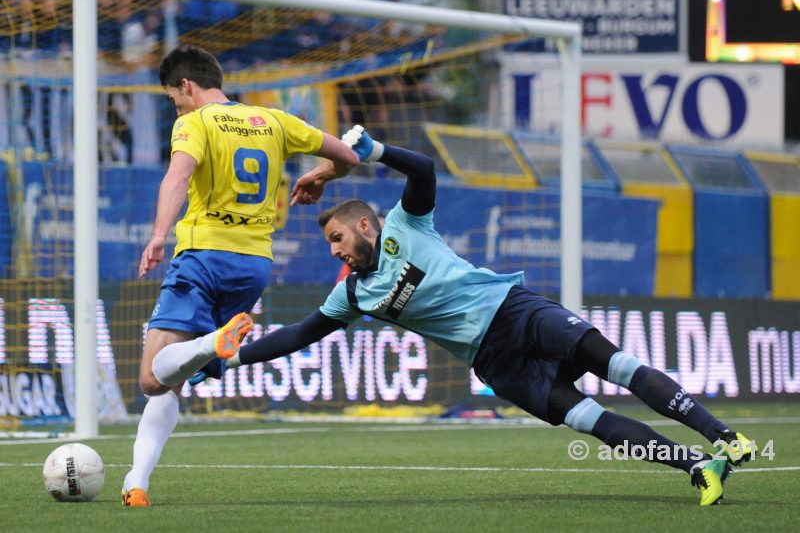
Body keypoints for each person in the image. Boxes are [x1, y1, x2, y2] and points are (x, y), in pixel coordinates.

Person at [193, 126, 758, 507]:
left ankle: (724, 437)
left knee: (620, 366)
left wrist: (374, 151)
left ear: (365, 226)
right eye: (330, 246)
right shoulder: (355, 295)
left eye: (338, 238)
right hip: (494, 363)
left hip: (513, 313)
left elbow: (424, 171)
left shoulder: (405, 226)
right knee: (588, 419)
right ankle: (698, 468)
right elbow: (298, 335)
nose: (336, 251)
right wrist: (228, 358)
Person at [121, 44, 359, 508]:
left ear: (186, 86)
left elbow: (177, 176)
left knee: (152, 377)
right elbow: (349, 157)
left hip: (203, 255)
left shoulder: (194, 123)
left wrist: (157, 235)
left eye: (174, 98)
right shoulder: (274, 120)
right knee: (174, 379)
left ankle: (215, 343)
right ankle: (136, 483)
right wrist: (320, 177)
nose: (177, 106)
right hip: (253, 267)